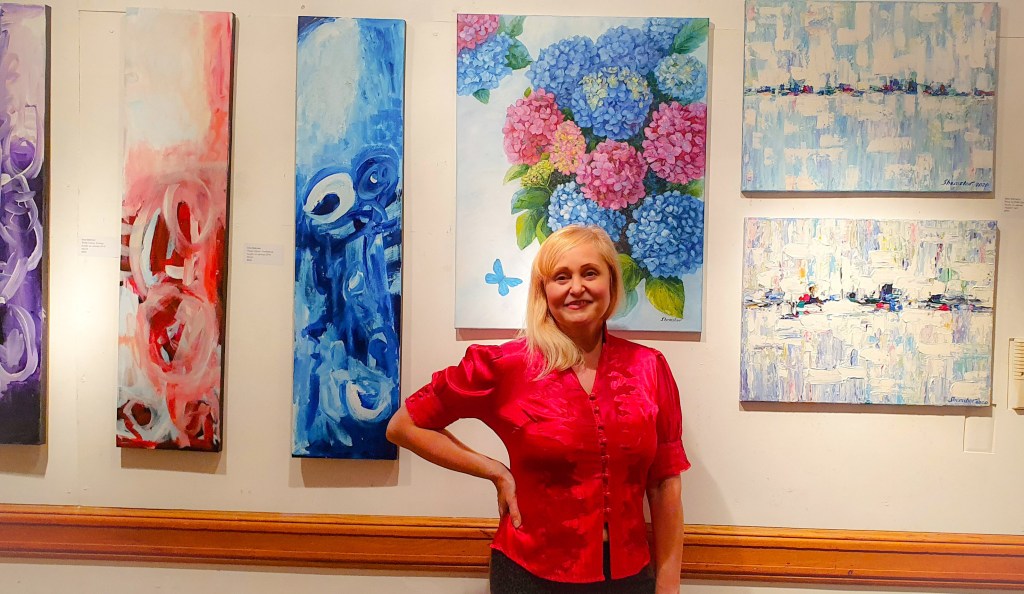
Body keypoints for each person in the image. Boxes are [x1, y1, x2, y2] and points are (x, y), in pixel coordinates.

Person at [386, 225, 690, 593]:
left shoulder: (649, 368)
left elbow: (664, 484)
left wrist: (669, 584)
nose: (576, 287)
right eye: (561, 277)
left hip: (630, 577)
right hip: (530, 574)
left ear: (611, 282)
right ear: (544, 290)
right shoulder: (504, 365)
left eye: (589, 273)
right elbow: (404, 426)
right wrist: (494, 471)